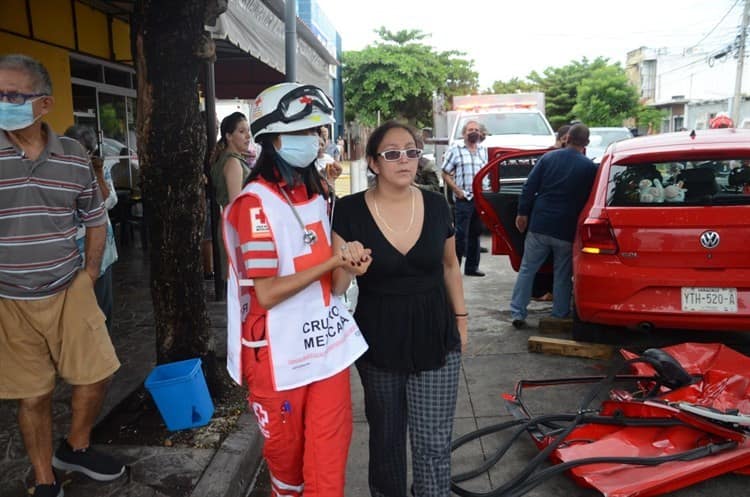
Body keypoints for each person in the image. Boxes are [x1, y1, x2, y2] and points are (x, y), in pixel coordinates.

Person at [222, 82, 370, 497]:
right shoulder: (254, 204)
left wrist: (351, 267)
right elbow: (266, 294)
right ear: (271, 139)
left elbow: (334, 287)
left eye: (316, 131)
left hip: (326, 348)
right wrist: (333, 260)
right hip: (276, 354)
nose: (313, 140)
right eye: (302, 132)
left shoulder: (318, 192)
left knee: (328, 465)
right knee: (288, 474)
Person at [0, 54, 124, 497]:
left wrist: (89, 273)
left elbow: (93, 217)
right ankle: (45, 480)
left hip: (69, 288)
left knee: (98, 373)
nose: (3, 102)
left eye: (12, 95)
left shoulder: (73, 157)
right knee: (32, 395)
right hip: (10, 299)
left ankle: (75, 446)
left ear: (44, 103)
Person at [334, 121, 468, 497]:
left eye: (411, 151)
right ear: (373, 163)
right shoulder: (348, 210)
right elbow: (337, 287)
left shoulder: (437, 204)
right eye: (392, 153)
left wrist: (461, 321)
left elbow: (449, 266)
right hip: (378, 339)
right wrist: (347, 266)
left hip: (436, 334)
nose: (404, 160)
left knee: (434, 444)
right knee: (387, 441)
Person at [509, 124, 598, 329]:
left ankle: (518, 312)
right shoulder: (589, 168)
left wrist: (522, 213)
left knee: (527, 269)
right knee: (562, 273)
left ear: (567, 138)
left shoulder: (548, 158)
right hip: (566, 229)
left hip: (540, 224)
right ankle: (559, 313)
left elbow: (529, 187)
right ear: (586, 143)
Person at [64, 125, 119, 331]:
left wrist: (94, 172)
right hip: (70, 252)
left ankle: (103, 350)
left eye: (83, 151)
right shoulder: (58, 171)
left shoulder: (99, 169)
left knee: (103, 306)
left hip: (100, 251)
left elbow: (109, 199)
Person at [530, 124, 571, 302]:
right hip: (555, 219)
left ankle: (542, 293)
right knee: (546, 260)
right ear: (564, 139)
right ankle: (542, 292)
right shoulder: (551, 157)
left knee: (539, 261)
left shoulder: (546, 157)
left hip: (544, 217)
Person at [441, 120, 488, 277]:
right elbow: (445, 173)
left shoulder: (483, 150)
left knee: (476, 233)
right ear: (464, 133)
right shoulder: (456, 150)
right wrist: (456, 190)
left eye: (476, 129)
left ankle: (472, 268)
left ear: (480, 133)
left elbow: (486, 173)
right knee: (460, 235)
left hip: (480, 199)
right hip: (464, 199)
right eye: (470, 130)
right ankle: (455, 267)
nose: (473, 132)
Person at [210, 111, 252, 280]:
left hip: (232, 224)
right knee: (238, 281)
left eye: (248, 131)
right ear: (228, 136)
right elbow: (236, 204)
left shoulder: (230, 158)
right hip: (236, 226)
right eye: (241, 132)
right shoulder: (233, 162)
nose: (247, 136)